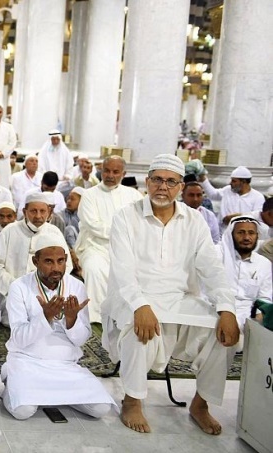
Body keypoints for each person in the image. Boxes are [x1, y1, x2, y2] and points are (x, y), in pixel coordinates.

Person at [103, 154, 240, 435]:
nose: (162, 187)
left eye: (170, 181)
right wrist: (140, 305)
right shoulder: (125, 217)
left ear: (180, 187)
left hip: (180, 299)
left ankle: (200, 404)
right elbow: (123, 270)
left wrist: (227, 308)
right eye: (157, 179)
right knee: (137, 329)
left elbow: (211, 268)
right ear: (147, 182)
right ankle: (132, 400)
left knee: (225, 334)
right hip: (133, 297)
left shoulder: (194, 220)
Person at [1, 234, 116, 420]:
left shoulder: (76, 286)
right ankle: (11, 380)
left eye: (60, 261)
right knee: (22, 411)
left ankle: (50, 393)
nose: (56, 268)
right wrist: (45, 317)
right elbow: (19, 339)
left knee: (101, 409)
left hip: (65, 365)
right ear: (35, 261)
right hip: (27, 362)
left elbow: (80, 339)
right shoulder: (19, 287)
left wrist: (71, 320)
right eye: (48, 261)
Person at [74, 156, 143, 323]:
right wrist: (122, 231)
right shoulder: (89, 195)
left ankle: (126, 315)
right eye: (107, 171)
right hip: (95, 246)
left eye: (115, 172)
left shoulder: (134, 195)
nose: (110, 175)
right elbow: (92, 225)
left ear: (123, 174)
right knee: (94, 269)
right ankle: (96, 317)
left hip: (127, 248)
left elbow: (141, 223)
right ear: (101, 171)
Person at [0, 192, 70, 327]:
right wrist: (16, 286)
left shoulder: (54, 232)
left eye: (42, 211)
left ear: (49, 212)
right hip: (12, 290)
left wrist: (49, 284)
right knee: (16, 320)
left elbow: (66, 265)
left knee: (54, 320)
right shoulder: (9, 231)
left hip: (48, 290)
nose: (38, 216)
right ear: (25, 212)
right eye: (33, 211)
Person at [217, 216, 272, 331]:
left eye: (251, 233)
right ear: (231, 235)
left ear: (257, 236)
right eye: (241, 233)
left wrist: (258, 323)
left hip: (248, 317)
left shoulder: (264, 264)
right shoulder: (217, 256)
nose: (246, 237)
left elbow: (264, 298)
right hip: (217, 312)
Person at [199, 166, 265, 229]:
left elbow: (258, 216)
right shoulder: (228, 190)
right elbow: (213, 194)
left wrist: (236, 217)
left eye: (234, 181)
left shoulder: (258, 197)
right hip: (223, 232)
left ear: (243, 182)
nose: (230, 183)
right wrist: (203, 178)